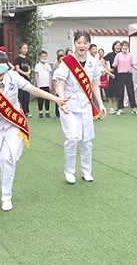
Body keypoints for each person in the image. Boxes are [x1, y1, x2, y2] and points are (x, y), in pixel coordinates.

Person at [0, 50, 69, 211]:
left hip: (13, 123)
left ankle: (6, 196)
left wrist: (56, 99)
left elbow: (33, 90)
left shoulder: (13, 77)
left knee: (7, 158)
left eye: (1, 65)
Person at [55, 30, 107, 184]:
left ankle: (86, 171)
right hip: (69, 105)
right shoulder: (67, 62)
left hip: (85, 105)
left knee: (87, 141)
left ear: (89, 44)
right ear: (74, 43)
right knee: (72, 138)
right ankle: (69, 171)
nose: (82, 45)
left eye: (85, 42)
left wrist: (101, 104)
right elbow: (60, 85)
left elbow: (95, 85)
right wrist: (61, 100)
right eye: (79, 42)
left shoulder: (93, 62)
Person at [112, 41, 137, 116]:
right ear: (121, 47)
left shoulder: (130, 55)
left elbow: (132, 64)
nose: (125, 47)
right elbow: (114, 64)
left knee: (131, 91)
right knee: (121, 91)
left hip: (128, 74)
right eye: (124, 46)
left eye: (126, 46)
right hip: (121, 74)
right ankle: (120, 108)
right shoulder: (118, 55)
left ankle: (134, 108)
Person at [14, 43, 32, 118]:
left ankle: (26, 112)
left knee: (26, 96)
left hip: (27, 79)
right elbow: (17, 68)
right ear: (20, 49)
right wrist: (24, 73)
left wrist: (28, 73)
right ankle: (19, 111)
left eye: (26, 48)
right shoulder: (18, 59)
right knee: (20, 96)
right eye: (23, 48)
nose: (25, 50)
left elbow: (29, 68)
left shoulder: (28, 59)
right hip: (20, 79)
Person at [103, 41, 121, 114]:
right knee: (110, 92)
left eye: (119, 45)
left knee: (118, 92)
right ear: (113, 46)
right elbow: (102, 61)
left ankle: (118, 107)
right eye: (116, 45)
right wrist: (108, 69)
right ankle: (111, 107)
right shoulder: (111, 55)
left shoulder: (122, 55)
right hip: (112, 75)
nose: (117, 47)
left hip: (120, 74)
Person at [34, 50, 52, 118]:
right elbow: (36, 75)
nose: (44, 58)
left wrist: (50, 84)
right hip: (40, 85)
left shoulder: (48, 65)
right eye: (42, 56)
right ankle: (40, 111)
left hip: (47, 84)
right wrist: (37, 85)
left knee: (47, 98)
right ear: (39, 57)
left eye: (45, 56)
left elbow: (50, 75)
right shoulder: (37, 66)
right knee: (40, 98)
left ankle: (47, 111)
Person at [52, 49, 65, 121]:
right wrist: (55, 89)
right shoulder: (57, 71)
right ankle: (57, 115)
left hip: (65, 89)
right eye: (60, 61)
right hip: (58, 89)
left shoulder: (67, 70)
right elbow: (54, 80)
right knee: (58, 101)